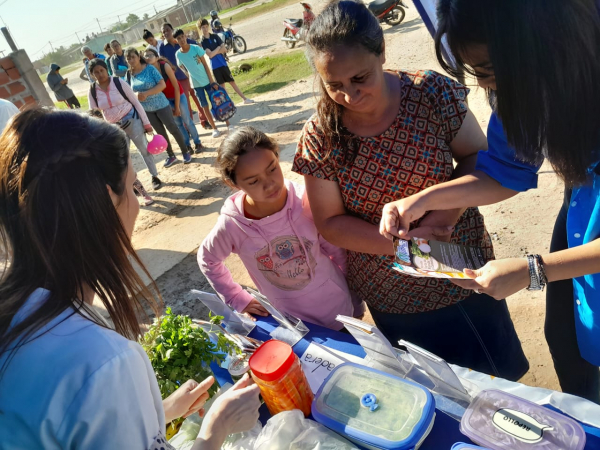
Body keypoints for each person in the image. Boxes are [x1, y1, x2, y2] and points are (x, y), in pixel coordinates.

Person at [292, 0, 528, 380]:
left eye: (360, 78)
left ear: (381, 50)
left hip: (461, 268)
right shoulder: (321, 134)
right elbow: (331, 223)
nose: (350, 96)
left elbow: (476, 158)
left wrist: (440, 222)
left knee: (500, 384)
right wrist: (407, 246)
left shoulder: (429, 93)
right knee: (435, 396)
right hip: (392, 292)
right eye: (334, 85)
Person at [379, 0, 600, 403]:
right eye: (476, 73)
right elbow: (503, 170)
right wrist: (421, 200)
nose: (485, 87)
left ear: (544, 43)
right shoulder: (527, 87)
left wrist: (534, 270)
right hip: (586, 210)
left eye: (490, 71)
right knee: (568, 342)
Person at [0, 108, 261, 449]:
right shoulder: (104, 361)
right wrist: (217, 427)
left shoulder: (16, 310)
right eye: (133, 186)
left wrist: (156, 413)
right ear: (107, 200)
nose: (137, 205)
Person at [199, 126, 365, 329]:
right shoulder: (233, 225)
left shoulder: (306, 201)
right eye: (253, 181)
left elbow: (337, 251)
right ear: (233, 183)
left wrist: (355, 300)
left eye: (272, 169)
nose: (270, 184)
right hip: (294, 325)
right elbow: (208, 259)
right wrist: (237, 298)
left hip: (339, 310)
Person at [87, 58, 163, 191]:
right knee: (123, 157)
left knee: (144, 149)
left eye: (102, 70)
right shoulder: (93, 90)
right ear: (92, 75)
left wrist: (146, 123)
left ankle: (154, 177)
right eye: (96, 72)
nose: (100, 74)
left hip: (132, 119)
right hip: (114, 128)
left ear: (106, 70)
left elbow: (136, 102)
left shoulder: (118, 82)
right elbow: (93, 114)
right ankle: (134, 184)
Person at [126, 47, 192, 167]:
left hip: (161, 105)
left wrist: (146, 93)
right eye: (128, 58)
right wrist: (136, 95)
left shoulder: (150, 68)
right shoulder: (129, 74)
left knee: (173, 128)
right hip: (147, 110)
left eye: (133, 57)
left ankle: (185, 152)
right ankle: (171, 155)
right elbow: (129, 91)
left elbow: (162, 85)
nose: (131, 60)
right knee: (160, 133)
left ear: (138, 57)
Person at [144, 48, 204, 154]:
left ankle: (197, 143)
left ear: (157, 57)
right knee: (178, 124)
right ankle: (187, 146)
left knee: (187, 120)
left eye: (150, 55)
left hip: (178, 95)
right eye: (145, 56)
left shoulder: (164, 66)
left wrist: (176, 107)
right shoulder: (148, 71)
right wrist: (169, 105)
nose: (147, 57)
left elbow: (176, 87)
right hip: (166, 99)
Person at [157, 22, 210, 129]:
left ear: (172, 29)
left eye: (168, 29)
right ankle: (189, 127)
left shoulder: (181, 40)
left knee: (198, 99)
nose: (166, 32)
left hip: (192, 77)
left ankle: (205, 121)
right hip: (177, 79)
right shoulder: (162, 46)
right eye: (164, 31)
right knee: (185, 104)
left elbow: (195, 45)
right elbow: (161, 61)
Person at [175, 29, 226, 138]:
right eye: (178, 38)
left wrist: (212, 81)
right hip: (196, 85)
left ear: (185, 36)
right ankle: (214, 128)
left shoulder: (195, 48)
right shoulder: (178, 54)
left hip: (207, 81)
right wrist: (188, 75)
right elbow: (181, 66)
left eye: (182, 37)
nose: (181, 40)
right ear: (176, 41)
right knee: (204, 106)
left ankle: (228, 124)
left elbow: (206, 65)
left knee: (217, 101)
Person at [198, 19, 254, 105]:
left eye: (206, 27)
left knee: (232, 81)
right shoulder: (203, 41)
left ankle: (244, 99)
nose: (205, 29)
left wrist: (215, 51)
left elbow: (224, 49)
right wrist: (217, 48)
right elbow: (210, 55)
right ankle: (229, 103)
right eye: (203, 27)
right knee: (222, 86)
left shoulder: (215, 36)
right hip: (215, 66)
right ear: (200, 29)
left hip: (222, 63)